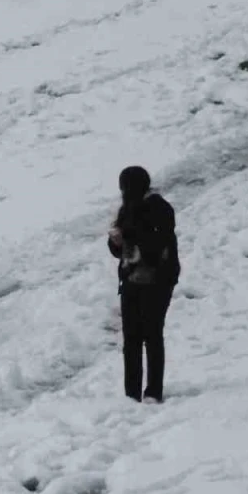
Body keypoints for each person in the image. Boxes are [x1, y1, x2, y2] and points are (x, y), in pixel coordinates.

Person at [107, 166, 181, 403]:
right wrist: (115, 241)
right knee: (131, 337)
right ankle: (132, 393)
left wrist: (128, 237)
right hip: (131, 278)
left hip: (158, 280)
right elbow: (119, 251)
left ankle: (153, 391)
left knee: (151, 333)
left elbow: (159, 242)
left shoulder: (160, 208)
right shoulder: (126, 210)